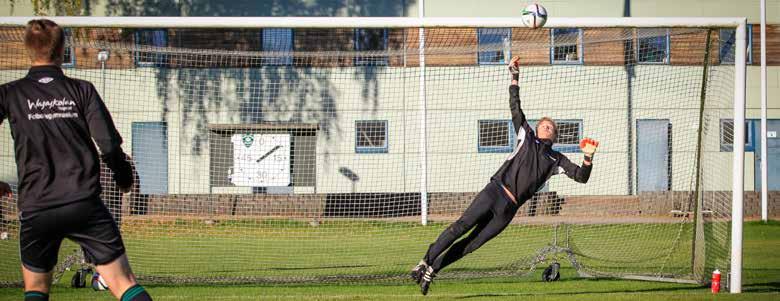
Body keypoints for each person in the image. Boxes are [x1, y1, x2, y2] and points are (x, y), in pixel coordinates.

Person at [410, 56, 599, 295]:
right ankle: (424, 262)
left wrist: (588, 158)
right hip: (494, 192)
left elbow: (581, 177)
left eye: (552, 127)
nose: (547, 127)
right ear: (537, 128)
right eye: (544, 125)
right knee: (460, 227)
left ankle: (433, 270)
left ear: (555, 136)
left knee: (471, 245)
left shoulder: (557, 160)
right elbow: (515, 106)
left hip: (508, 209)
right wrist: (514, 78)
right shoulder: (526, 135)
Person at [0, 19, 152, 301]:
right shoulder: (82, 90)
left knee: (35, 290)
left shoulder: (11, 93)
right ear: (62, 50)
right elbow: (107, 143)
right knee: (123, 283)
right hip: (83, 203)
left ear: (26, 50)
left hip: (37, 207)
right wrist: (123, 176)